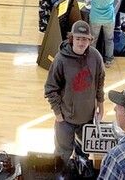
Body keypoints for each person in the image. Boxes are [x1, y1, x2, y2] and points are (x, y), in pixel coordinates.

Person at [44, 20, 106, 164]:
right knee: (61, 157)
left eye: (85, 39)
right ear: (72, 39)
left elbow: (100, 82)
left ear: (90, 40)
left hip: (87, 119)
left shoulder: (95, 56)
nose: (81, 43)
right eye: (78, 38)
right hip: (65, 120)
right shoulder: (60, 59)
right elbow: (50, 88)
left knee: (82, 156)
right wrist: (58, 115)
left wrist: (101, 106)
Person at [86, 0, 121, 66]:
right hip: (109, 19)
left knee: (93, 39)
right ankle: (108, 60)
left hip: (95, 18)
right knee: (109, 40)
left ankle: (92, 60)